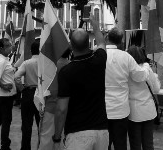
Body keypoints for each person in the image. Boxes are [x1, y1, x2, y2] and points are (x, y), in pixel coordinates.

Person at [54, 14, 108, 149]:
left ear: (71, 46)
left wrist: (56, 138)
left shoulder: (66, 72)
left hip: (77, 134)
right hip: (102, 131)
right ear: (89, 43)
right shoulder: (100, 60)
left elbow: (61, 109)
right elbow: (101, 43)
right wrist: (95, 25)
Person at [105, 27, 148, 150]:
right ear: (121, 41)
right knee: (121, 144)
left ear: (107, 38)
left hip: (102, 109)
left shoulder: (99, 54)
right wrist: (145, 66)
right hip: (120, 109)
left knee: (104, 145)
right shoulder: (126, 57)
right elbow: (140, 76)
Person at [126, 46, 160, 150]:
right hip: (148, 110)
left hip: (133, 111)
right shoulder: (147, 69)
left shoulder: (126, 71)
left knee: (135, 144)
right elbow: (156, 89)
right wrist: (155, 76)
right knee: (148, 143)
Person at [38, 47, 70, 150]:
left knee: (47, 139)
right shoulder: (72, 66)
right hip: (69, 108)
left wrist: (41, 104)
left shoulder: (50, 66)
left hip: (51, 106)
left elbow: (44, 88)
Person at [14, 40, 41, 150]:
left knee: (26, 125)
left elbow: (16, 77)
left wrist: (22, 88)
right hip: (41, 95)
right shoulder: (46, 63)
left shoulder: (26, 63)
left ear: (31, 51)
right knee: (42, 126)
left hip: (28, 93)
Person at [0, 37, 16, 150]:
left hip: (3, 96)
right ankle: (4, 145)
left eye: (10, 44)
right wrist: (3, 85)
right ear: (1, 48)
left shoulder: (4, 59)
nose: (10, 47)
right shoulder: (1, 61)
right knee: (5, 121)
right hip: (3, 96)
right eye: (8, 45)